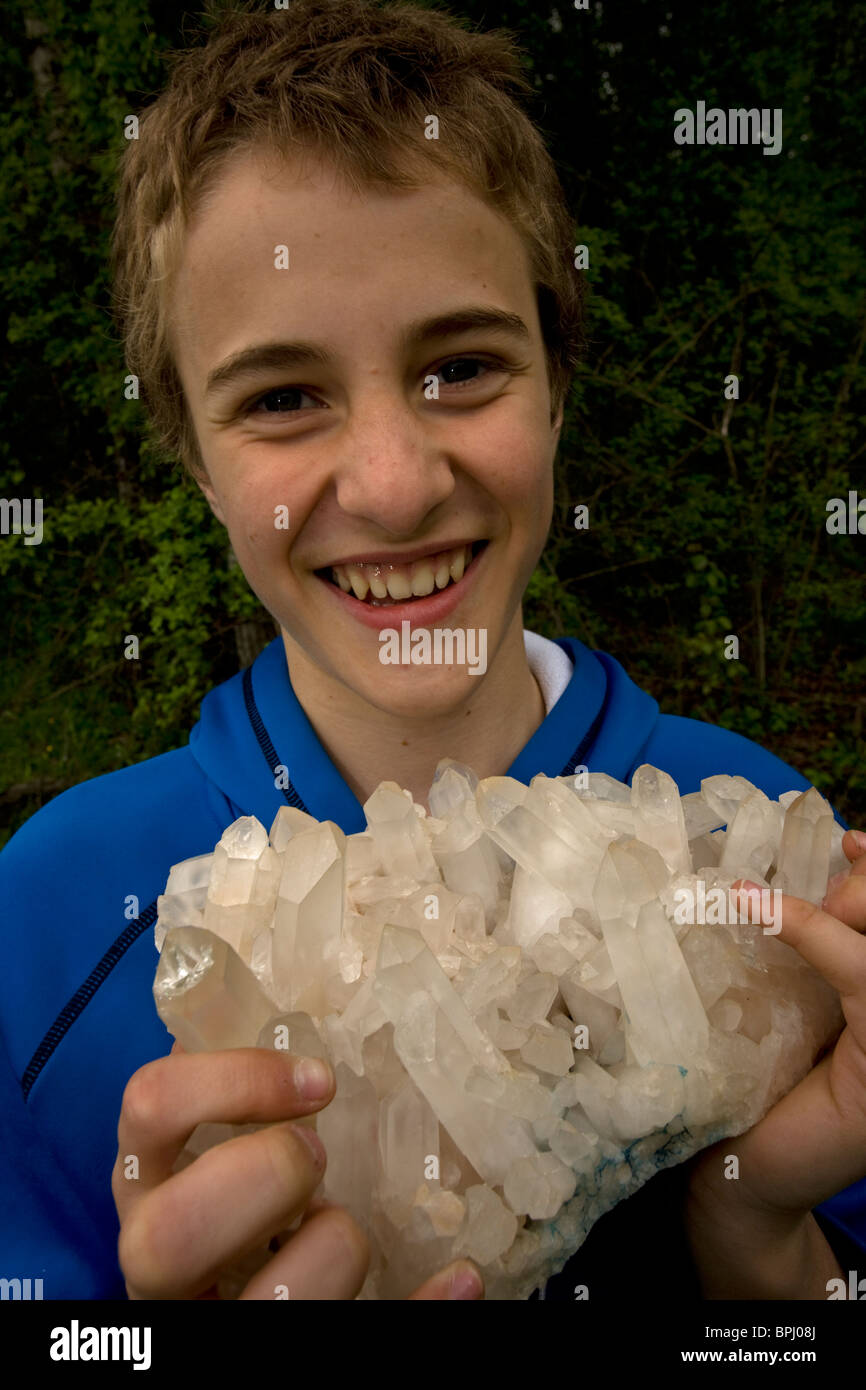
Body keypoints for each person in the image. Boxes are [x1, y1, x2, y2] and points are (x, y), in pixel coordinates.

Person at [1, 0, 864, 1302]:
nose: (395, 486)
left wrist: (754, 1234)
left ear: (556, 382)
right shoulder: (48, 919)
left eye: (460, 366)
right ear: (189, 453)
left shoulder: (764, 849)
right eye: (283, 397)